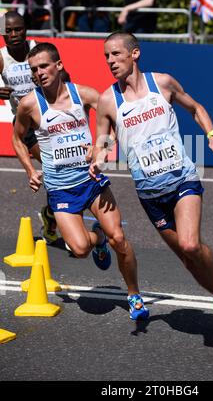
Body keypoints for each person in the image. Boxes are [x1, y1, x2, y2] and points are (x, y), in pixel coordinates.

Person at [89, 32, 213, 342]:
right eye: (106, 56)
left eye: (115, 54)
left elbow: (196, 107)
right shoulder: (108, 100)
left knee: (191, 245)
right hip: (150, 195)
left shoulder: (162, 83)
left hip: (181, 180)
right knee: (189, 260)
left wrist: (212, 135)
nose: (110, 61)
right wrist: (99, 157)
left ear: (134, 54)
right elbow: (103, 138)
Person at [13, 42, 149, 321]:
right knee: (80, 249)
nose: (39, 73)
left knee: (120, 239)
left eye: (44, 66)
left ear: (59, 66)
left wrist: (103, 145)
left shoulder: (84, 95)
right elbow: (16, 138)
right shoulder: (29, 104)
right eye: (33, 70)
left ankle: (134, 294)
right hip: (61, 188)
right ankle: (97, 238)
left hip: (92, 180)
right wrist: (29, 170)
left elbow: (114, 119)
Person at [0, 11, 58, 243]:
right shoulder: (2, 57)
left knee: (64, 171)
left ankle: (51, 215)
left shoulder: (39, 50)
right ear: (2, 34)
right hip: (27, 125)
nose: (14, 34)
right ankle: (55, 214)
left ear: (26, 30)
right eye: (8, 31)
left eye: (18, 29)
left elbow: (66, 77)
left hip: (51, 119)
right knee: (54, 169)